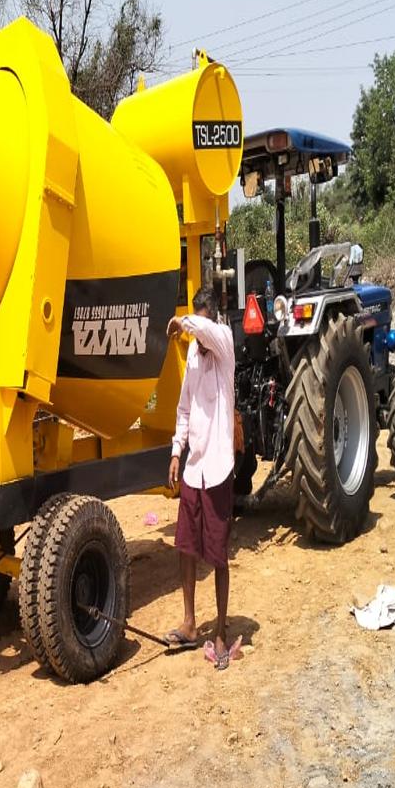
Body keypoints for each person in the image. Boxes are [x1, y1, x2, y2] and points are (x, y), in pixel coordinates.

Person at [166, 287, 238, 670]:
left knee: (219, 554)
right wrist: (177, 451)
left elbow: (205, 331)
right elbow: (183, 409)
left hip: (219, 467)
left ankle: (222, 631)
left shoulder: (223, 344)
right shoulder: (194, 355)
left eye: (201, 322)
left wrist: (184, 323)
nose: (198, 338)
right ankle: (191, 623)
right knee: (186, 546)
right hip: (195, 468)